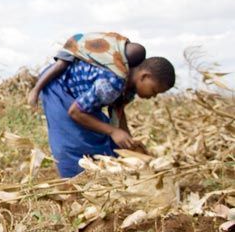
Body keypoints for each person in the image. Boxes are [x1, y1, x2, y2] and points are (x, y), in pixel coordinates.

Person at [29, 32, 175, 177]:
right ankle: (75, 182)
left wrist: (129, 143)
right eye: (154, 90)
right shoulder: (112, 83)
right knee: (74, 143)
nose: (153, 96)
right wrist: (113, 131)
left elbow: (118, 113)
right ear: (144, 76)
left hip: (82, 98)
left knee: (101, 137)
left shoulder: (129, 89)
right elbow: (75, 112)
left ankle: (106, 175)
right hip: (59, 86)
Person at [27, 33, 146, 109]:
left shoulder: (116, 54)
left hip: (87, 49)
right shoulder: (112, 57)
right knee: (61, 65)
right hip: (76, 44)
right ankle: (35, 90)